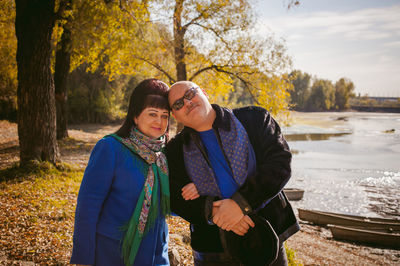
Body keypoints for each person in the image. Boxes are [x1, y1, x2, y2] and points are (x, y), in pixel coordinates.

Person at [166, 81, 300, 266]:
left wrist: (239, 204)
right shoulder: (174, 151)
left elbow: (279, 165)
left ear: (203, 92)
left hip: (265, 237)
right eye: (178, 104)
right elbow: (174, 198)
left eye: (190, 94)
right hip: (212, 249)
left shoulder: (254, 119)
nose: (187, 103)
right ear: (175, 115)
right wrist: (212, 210)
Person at [70, 79, 171, 266]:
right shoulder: (110, 148)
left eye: (165, 115)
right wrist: (83, 258)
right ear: (135, 116)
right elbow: (88, 206)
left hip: (156, 256)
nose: (159, 121)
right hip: (113, 253)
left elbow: (169, 205)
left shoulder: (165, 155)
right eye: (152, 114)